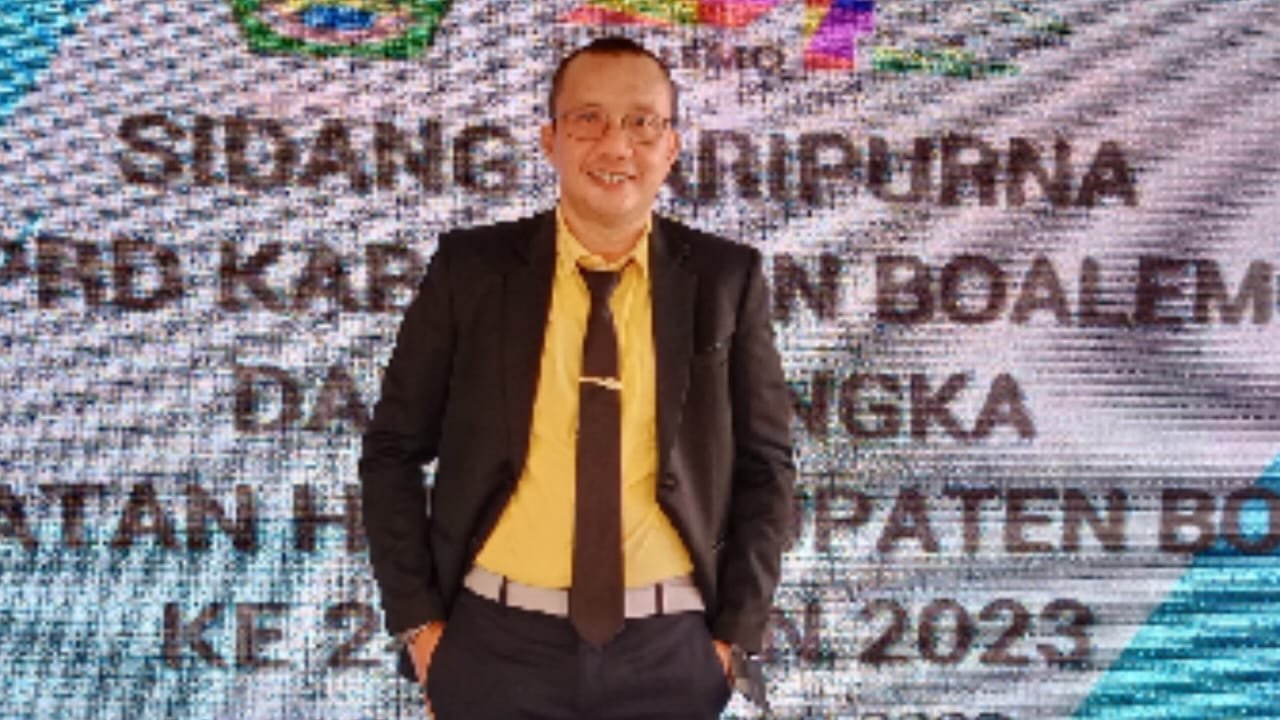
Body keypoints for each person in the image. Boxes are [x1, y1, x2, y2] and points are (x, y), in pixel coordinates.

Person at [359, 35, 795, 719]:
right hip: (493, 648)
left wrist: (732, 641)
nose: (616, 145)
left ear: (671, 147)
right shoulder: (472, 271)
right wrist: (420, 629)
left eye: (641, 123)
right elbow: (392, 450)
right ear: (550, 140)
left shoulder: (725, 280)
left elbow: (766, 467)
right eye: (588, 119)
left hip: (671, 654)